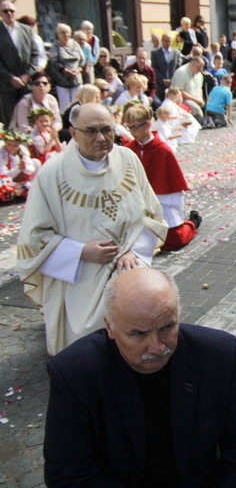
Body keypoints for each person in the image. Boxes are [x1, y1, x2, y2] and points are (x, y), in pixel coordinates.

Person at [43, 268, 236, 485]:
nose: (157, 347)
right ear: (110, 327)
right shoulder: (75, 374)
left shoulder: (218, 355)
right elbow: (69, 474)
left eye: (167, 327)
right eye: (139, 334)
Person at [15, 103, 167, 355]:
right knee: (88, 344)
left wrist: (135, 251)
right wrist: (80, 251)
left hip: (128, 267)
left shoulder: (128, 159)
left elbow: (150, 213)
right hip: (78, 274)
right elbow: (35, 238)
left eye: (107, 130)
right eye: (91, 131)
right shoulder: (52, 174)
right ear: (73, 133)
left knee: (144, 325)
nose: (101, 138)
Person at [122, 103, 201, 251]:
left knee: (172, 240)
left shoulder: (162, 150)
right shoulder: (129, 150)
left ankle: (191, 223)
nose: (132, 132)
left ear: (148, 124)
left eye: (136, 127)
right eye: (129, 127)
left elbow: (172, 184)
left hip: (161, 203)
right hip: (136, 205)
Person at [0, 0, 41, 127]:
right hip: (6, 84)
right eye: (5, 11)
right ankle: (12, 146)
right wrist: (10, 77)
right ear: (0, 14)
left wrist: (27, 75)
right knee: (10, 120)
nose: (9, 14)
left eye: (11, 11)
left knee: (30, 118)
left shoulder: (26, 30)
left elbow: (35, 54)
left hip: (26, 83)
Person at [48, 23, 85, 112]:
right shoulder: (55, 46)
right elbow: (54, 61)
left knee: (77, 104)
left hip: (76, 78)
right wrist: (65, 70)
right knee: (65, 107)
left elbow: (82, 59)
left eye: (68, 32)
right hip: (62, 80)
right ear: (58, 34)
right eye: (63, 32)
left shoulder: (75, 44)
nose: (66, 35)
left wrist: (79, 69)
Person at [11, 71, 62, 136]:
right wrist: (39, 134)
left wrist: (53, 129)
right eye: (37, 83)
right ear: (32, 86)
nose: (41, 85)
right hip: (28, 137)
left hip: (49, 134)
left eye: (45, 83)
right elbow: (23, 127)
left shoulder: (52, 100)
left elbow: (58, 121)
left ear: (49, 86)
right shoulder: (25, 102)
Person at [0, 126, 37, 201]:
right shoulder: (2, 154)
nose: (12, 147)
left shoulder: (22, 151)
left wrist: (24, 168)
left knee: (36, 162)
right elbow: (3, 175)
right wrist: (18, 169)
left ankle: (21, 190)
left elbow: (31, 168)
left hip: (20, 181)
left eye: (15, 145)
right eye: (9, 144)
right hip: (5, 181)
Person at [171, 57, 206, 121]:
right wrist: (196, 100)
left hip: (196, 98)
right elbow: (179, 91)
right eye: (198, 67)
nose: (200, 70)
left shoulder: (199, 75)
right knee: (197, 110)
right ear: (192, 65)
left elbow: (200, 89)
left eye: (202, 67)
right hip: (182, 99)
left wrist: (200, 99)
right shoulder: (181, 72)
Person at [151, 32, 182, 101]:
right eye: (166, 41)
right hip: (160, 84)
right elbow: (154, 69)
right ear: (162, 41)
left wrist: (172, 79)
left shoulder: (176, 53)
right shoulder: (155, 53)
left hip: (173, 83)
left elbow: (178, 67)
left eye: (169, 41)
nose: (168, 43)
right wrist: (163, 80)